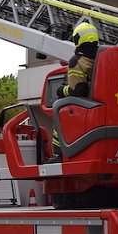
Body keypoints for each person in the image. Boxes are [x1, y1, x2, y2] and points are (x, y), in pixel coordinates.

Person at [50, 21, 100, 161]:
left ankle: (59, 154)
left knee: (59, 112)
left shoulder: (77, 61)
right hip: (97, 103)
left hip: (83, 105)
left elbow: (78, 90)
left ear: (78, 39)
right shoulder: (100, 56)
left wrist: (62, 90)